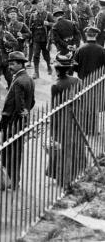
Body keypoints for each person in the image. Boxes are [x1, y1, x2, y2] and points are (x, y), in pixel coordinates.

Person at [0, 51, 35, 188]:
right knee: (16, 152)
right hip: (20, 122)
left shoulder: (19, 81)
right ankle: (14, 181)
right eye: (9, 64)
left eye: (12, 64)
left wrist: (20, 114)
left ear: (20, 64)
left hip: (13, 122)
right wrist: (26, 113)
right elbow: (32, 102)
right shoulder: (28, 78)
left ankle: (9, 181)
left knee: (9, 153)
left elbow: (19, 105)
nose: (10, 67)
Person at [49, 55, 84, 186]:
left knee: (61, 149)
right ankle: (77, 172)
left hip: (62, 120)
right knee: (76, 145)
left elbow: (54, 107)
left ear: (57, 70)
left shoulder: (56, 85)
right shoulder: (77, 80)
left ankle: (62, 176)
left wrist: (53, 128)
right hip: (76, 117)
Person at [74, 26, 105, 135]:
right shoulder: (102, 50)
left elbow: (74, 67)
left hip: (83, 81)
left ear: (86, 35)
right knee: (95, 106)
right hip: (97, 82)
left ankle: (85, 129)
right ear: (96, 35)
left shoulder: (80, 50)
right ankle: (94, 130)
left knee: (84, 106)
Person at [28, 0, 54, 78]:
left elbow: (54, 25)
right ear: (35, 6)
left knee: (46, 54)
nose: (40, 6)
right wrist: (30, 39)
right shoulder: (33, 15)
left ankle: (49, 66)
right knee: (36, 55)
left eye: (41, 4)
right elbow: (30, 28)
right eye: (38, 4)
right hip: (36, 38)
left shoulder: (48, 14)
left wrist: (49, 24)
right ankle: (36, 72)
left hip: (45, 38)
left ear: (43, 5)